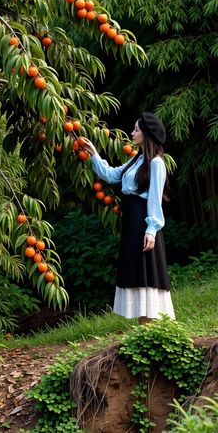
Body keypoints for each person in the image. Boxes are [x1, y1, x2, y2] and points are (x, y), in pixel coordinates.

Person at [81, 112, 174, 325]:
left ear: (147, 134)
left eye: (136, 130)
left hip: (143, 221)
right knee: (136, 271)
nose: (132, 133)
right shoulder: (137, 159)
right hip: (131, 221)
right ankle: (144, 330)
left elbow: (155, 199)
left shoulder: (157, 163)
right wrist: (94, 153)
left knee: (146, 271)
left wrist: (151, 230)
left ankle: (148, 330)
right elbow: (112, 175)